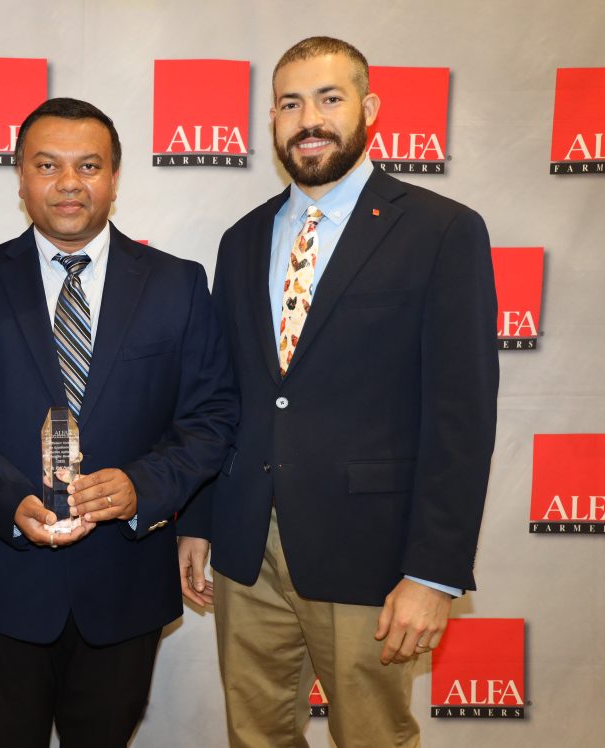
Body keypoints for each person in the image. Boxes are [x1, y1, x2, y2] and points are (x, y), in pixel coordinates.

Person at [177, 36, 499, 748]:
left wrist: (434, 573)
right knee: (255, 734)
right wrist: (198, 519)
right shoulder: (242, 239)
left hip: (373, 556)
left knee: (374, 737)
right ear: (272, 119)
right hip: (246, 546)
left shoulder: (442, 232)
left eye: (329, 98)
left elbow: (462, 417)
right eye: (291, 103)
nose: (308, 119)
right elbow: (220, 397)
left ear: (369, 108)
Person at [0, 97, 235, 747]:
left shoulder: (177, 284)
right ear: (21, 176)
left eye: (89, 166)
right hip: (9, 579)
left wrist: (142, 486)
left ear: (115, 178)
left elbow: (211, 417)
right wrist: (6, 500)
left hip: (126, 584)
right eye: (47, 165)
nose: (68, 183)